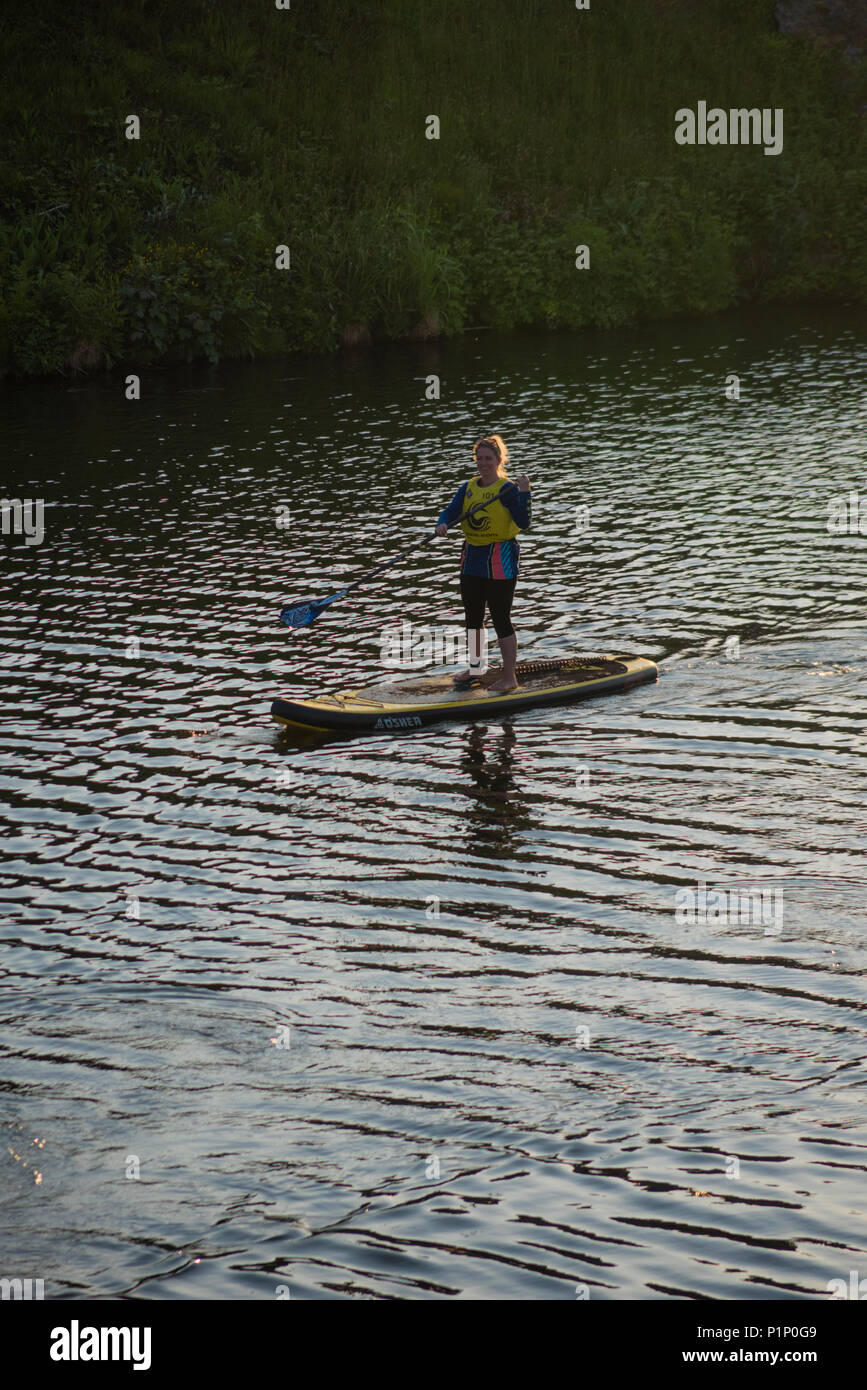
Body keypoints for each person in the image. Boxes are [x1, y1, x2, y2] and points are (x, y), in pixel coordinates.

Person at [434, 435, 531, 693]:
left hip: (500, 557)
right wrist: (442, 524)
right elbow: (451, 511)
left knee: (501, 617)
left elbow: (523, 522)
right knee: (473, 617)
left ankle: (509, 677)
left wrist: (524, 493)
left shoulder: (507, 489)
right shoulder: (468, 488)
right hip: (472, 558)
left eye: (489, 458)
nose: (484, 463)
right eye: (480, 458)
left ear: (499, 460)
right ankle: (477, 668)